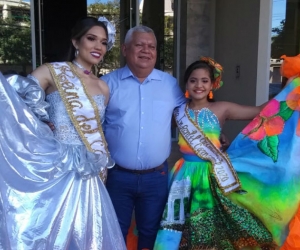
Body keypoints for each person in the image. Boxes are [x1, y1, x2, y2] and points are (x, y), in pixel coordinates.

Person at [0, 17, 126, 250]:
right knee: (52, 234)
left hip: (89, 172)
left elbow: (98, 128)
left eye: (104, 42)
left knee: (87, 235)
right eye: (91, 39)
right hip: (57, 169)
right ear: (76, 42)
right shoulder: (51, 71)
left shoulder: (103, 87)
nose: (98, 47)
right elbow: (13, 98)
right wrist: (41, 121)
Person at [154, 57, 300, 249]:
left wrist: (286, 91)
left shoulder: (222, 108)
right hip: (183, 175)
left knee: (210, 227)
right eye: (193, 80)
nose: (199, 85)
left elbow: (259, 111)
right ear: (186, 83)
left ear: (212, 84)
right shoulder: (177, 111)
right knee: (177, 224)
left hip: (213, 175)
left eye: (204, 81)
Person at [101, 25, 186, 250]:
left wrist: (213, 132)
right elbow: (92, 124)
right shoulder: (107, 84)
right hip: (117, 176)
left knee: (150, 231)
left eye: (152, 46)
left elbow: (187, 117)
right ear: (125, 49)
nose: (146, 50)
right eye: (139, 45)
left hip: (155, 177)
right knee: (114, 231)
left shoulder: (169, 84)